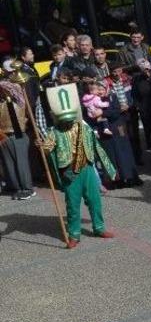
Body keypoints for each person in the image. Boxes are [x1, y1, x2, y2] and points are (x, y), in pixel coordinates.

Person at [38, 86, 116, 247]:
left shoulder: (84, 127)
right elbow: (47, 150)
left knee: (95, 200)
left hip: (87, 168)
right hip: (69, 171)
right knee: (72, 205)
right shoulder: (54, 132)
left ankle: (99, 227)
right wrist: (41, 146)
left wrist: (109, 167)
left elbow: (96, 146)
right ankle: (74, 234)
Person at [0, 73, 34, 200]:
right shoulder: (1, 102)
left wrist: (2, 81)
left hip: (18, 133)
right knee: (9, 165)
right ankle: (17, 188)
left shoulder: (18, 98)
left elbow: (12, 87)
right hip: (3, 135)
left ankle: (27, 188)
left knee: (21, 163)